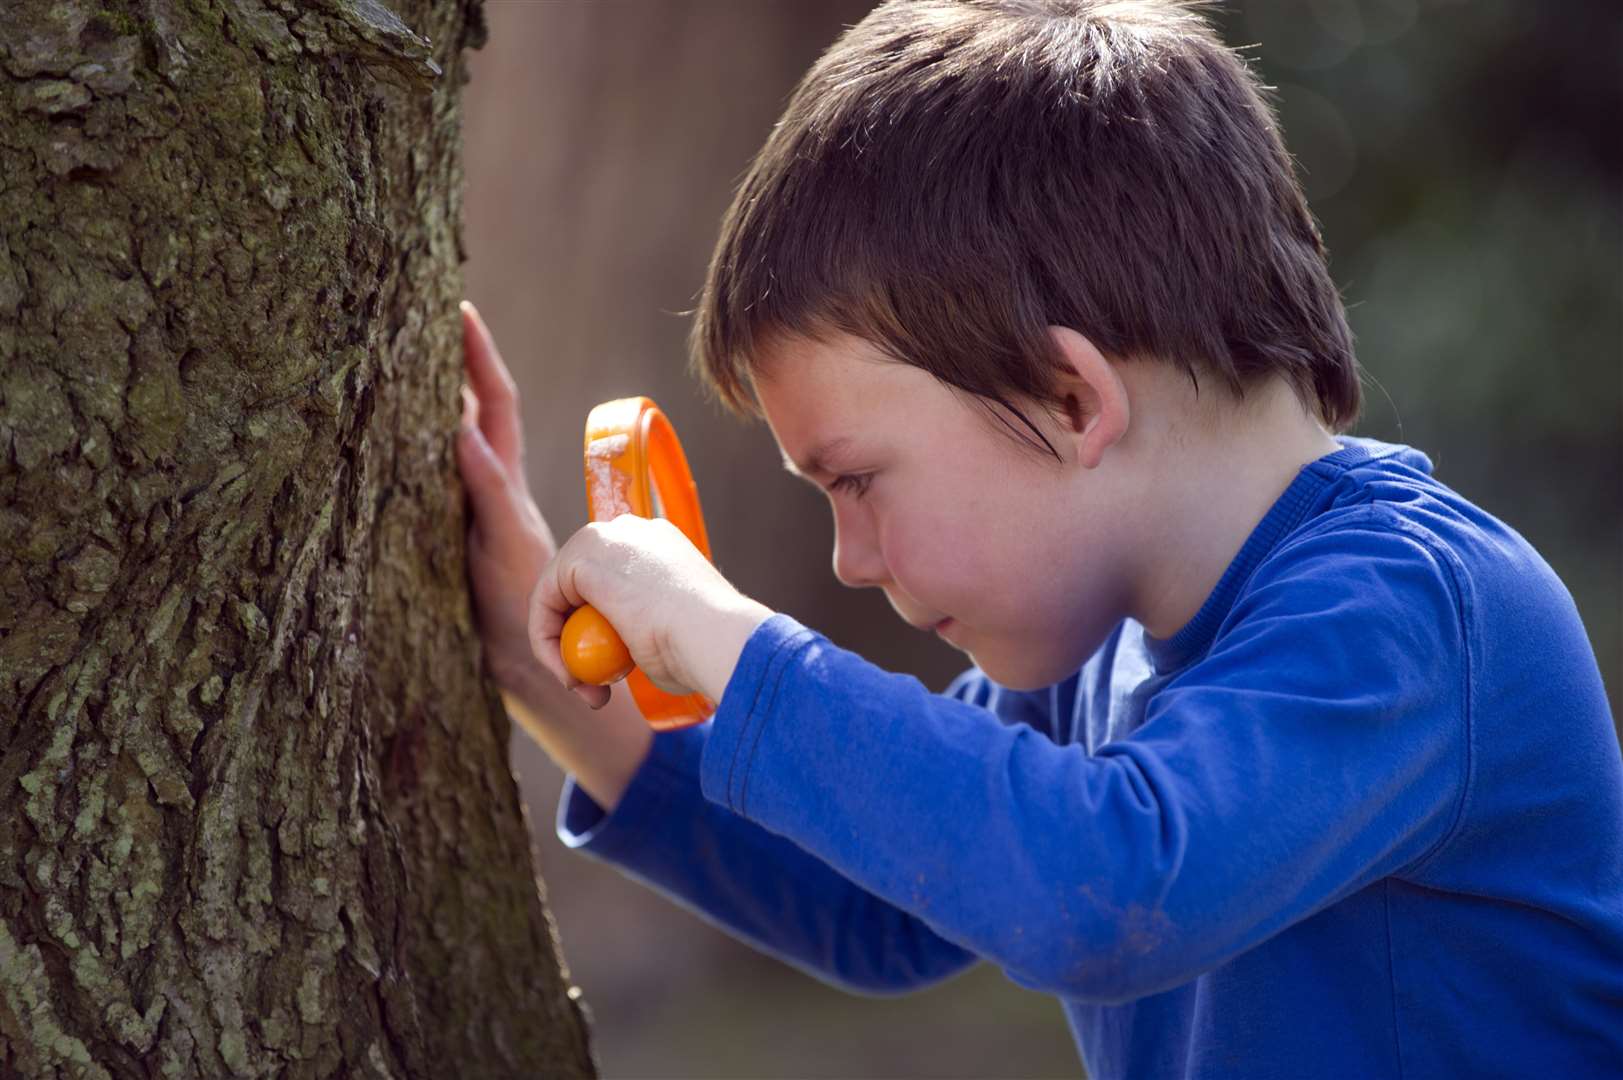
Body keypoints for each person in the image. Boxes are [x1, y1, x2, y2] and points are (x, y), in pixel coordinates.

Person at [453, 1, 1623, 1076]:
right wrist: (532, 659)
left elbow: (1105, 888)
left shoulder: (1416, 613)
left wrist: (722, 634)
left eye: (856, 480)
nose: (849, 559)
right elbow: (873, 891)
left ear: (1071, 400)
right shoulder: (1101, 654)